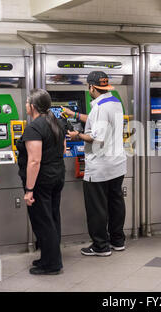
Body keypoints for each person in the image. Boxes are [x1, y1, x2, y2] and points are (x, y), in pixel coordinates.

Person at [64, 71, 127, 256]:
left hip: (100, 166)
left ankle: (100, 246)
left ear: (91, 87)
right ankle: (118, 241)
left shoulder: (100, 107)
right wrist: (74, 114)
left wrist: (77, 135)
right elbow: (97, 121)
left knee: (97, 207)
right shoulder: (114, 101)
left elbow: (95, 138)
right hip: (117, 163)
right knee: (115, 202)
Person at [16, 88, 66, 275]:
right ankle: (48, 256)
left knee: (43, 221)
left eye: (27, 103)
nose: (26, 106)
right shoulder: (57, 122)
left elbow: (34, 161)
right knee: (52, 218)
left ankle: (52, 264)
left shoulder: (34, 127)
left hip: (41, 181)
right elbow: (62, 149)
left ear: (33, 106)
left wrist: (29, 190)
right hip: (57, 176)